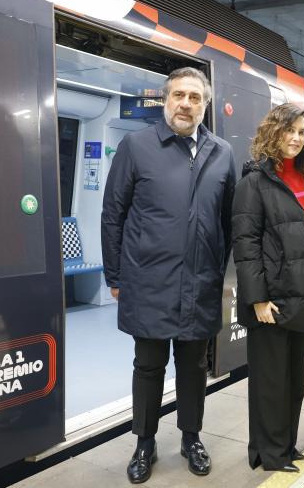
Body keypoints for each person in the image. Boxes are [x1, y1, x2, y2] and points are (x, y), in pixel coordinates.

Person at [101, 67, 237, 484]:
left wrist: (216, 268)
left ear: (205, 106)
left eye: (195, 98)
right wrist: (116, 275)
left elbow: (228, 220)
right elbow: (113, 215)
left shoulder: (222, 153)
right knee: (149, 364)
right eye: (178, 95)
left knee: (194, 365)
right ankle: (144, 442)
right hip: (148, 280)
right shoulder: (136, 146)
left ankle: (191, 437)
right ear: (165, 100)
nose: (186, 103)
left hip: (200, 282)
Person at [232, 103, 304, 473]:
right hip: (271, 300)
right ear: (273, 132)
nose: (295, 138)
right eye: (289, 130)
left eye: (302, 133)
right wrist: (257, 299)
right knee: (270, 384)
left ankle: (283, 446)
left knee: (293, 380)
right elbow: (246, 246)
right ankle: (271, 454)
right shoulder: (253, 183)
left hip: (303, 296)